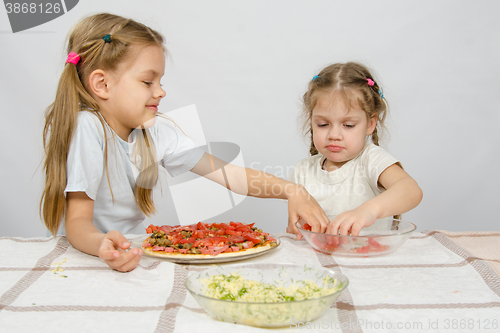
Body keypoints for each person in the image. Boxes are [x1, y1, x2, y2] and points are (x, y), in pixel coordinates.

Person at [41, 13, 329, 272]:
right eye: (147, 82)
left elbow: (232, 177)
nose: (161, 92)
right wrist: (102, 244)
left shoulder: (156, 130)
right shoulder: (88, 127)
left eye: (161, 81)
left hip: (130, 253)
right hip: (90, 257)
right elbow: (77, 224)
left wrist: (292, 190)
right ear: (102, 84)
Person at [287, 62, 422, 238]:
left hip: (366, 260)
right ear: (312, 120)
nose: (334, 135)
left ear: (370, 124)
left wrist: (368, 211)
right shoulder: (303, 170)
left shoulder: (371, 160)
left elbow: (411, 190)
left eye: (348, 125)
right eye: (323, 124)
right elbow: (298, 229)